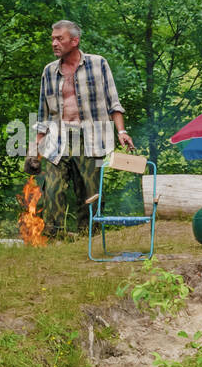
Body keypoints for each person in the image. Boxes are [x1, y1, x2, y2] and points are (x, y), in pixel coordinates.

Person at [27, 21, 134, 240]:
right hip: (58, 139)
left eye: (60, 39)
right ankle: (53, 238)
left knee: (90, 192)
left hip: (91, 138)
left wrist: (121, 132)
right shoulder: (49, 71)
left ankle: (89, 240)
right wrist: (33, 150)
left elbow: (114, 103)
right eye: (53, 38)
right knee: (53, 190)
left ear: (75, 41)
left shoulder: (98, 64)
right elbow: (43, 117)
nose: (54, 43)